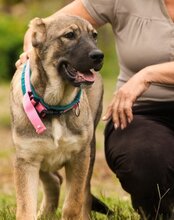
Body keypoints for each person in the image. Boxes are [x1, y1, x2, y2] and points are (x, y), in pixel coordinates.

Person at [16, 0, 174, 219]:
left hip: (143, 90)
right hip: (141, 111)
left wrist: (147, 75)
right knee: (144, 159)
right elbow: (41, 28)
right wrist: (30, 54)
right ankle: (158, 209)